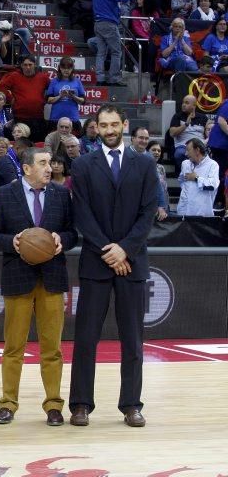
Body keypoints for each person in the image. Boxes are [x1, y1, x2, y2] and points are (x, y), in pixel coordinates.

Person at [68, 104, 159, 428]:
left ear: (124, 124)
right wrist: (111, 251)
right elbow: (82, 214)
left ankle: (131, 404)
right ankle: (80, 404)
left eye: (113, 124)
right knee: (86, 339)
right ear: (96, 127)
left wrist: (125, 250)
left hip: (131, 263)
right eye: (102, 125)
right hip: (96, 263)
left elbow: (148, 214)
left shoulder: (146, 164)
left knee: (133, 341)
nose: (108, 129)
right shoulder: (82, 165)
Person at [0, 148, 77, 426]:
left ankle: (53, 405)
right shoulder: (4, 194)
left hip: (52, 278)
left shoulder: (62, 194)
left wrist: (61, 239)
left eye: (50, 163)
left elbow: (73, 233)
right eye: (43, 163)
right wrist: (11, 242)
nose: (50, 167)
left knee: (53, 348)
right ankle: (8, 404)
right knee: (14, 347)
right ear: (27, 169)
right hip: (18, 276)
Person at [0, 55, 51, 141]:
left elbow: (52, 90)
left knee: (38, 145)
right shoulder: (14, 76)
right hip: (20, 118)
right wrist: (10, 99)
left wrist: (45, 100)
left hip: (38, 119)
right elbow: (0, 87)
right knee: (21, 144)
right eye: (25, 65)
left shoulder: (43, 77)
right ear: (21, 65)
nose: (27, 67)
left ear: (35, 65)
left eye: (30, 64)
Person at [177, 137, 220, 216]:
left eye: (188, 150)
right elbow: (181, 180)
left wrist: (196, 178)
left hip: (202, 215)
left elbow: (213, 185)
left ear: (197, 150)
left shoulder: (213, 165)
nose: (186, 154)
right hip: (183, 212)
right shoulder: (185, 164)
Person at [94, 0, 130, 86]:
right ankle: (114, 79)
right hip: (109, 23)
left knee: (101, 53)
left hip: (97, 23)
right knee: (116, 52)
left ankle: (100, 79)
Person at [169, 95, 208, 172]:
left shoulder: (203, 118)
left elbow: (208, 131)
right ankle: (187, 173)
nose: (183, 105)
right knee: (179, 154)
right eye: (183, 102)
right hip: (183, 146)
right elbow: (172, 133)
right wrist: (186, 124)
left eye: (186, 103)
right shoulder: (177, 116)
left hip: (200, 146)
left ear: (194, 105)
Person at [46, 57, 86, 131]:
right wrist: (60, 96)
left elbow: (83, 101)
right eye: (64, 68)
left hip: (73, 119)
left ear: (72, 69)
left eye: (69, 68)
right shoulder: (54, 81)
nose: (66, 70)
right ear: (60, 68)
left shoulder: (77, 81)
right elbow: (49, 100)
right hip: (56, 119)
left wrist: (73, 96)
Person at [148, 141, 169, 220]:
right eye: (154, 150)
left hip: (163, 207)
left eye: (159, 151)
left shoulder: (161, 168)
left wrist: (164, 206)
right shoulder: (143, 167)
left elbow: (164, 189)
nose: (156, 152)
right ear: (147, 151)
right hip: (151, 209)